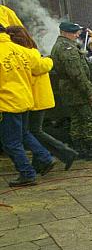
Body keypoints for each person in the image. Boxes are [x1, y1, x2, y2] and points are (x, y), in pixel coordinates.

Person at [6, 26, 78, 170]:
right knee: (32, 131)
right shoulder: (32, 52)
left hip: (34, 99)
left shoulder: (23, 54)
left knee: (33, 131)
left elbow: (39, 67)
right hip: (38, 98)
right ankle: (42, 161)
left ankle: (63, 154)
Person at [0, 23, 56, 186]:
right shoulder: (22, 50)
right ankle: (45, 158)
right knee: (24, 134)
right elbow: (39, 66)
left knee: (11, 143)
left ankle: (27, 173)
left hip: (7, 104)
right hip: (25, 99)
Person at [50, 22, 92, 160]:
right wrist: (88, 90)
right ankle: (90, 149)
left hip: (69, 88)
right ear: (65, 32)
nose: (77, 35)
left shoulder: (61, 46)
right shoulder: (67, 48)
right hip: (77, 88)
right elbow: (76, 73)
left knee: (77, 118)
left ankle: (78, 148)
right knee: (90, 117)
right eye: (75, 32)